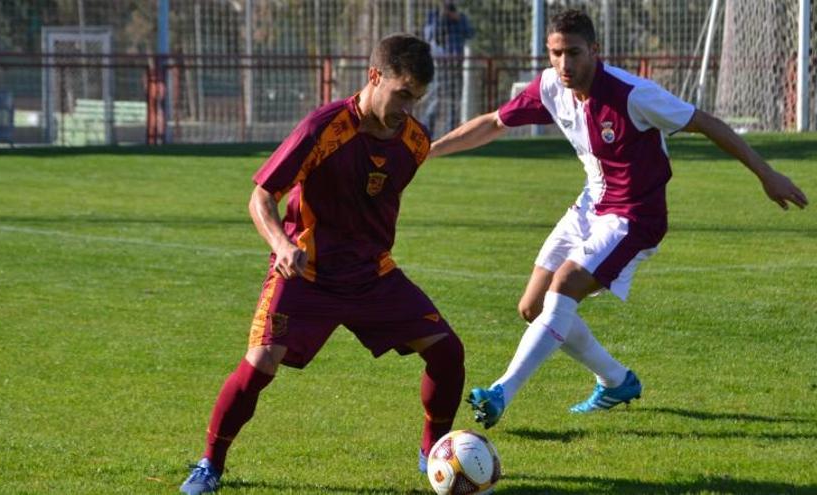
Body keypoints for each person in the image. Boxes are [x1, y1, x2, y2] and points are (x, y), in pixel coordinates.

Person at [429, 9, 808, 428]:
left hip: (635, 217)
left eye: (573, 52)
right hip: (590, 206)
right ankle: (616, 381)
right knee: (533, 307)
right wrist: (425, 151)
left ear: (594, 50)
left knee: (566, 284)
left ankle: (502, 391)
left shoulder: (633, 94)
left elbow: (706, 122)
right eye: (555, 53)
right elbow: (492, 123)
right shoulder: (551, 86)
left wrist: (766, 173)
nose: (564, 64)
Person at [180, 34, 465, 494]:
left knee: (448, 352)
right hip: (307, 273)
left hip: (372, 276)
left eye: (417, 99)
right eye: (403, 94)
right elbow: (260, 197)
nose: (407, 108)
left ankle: (433, 454)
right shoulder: (324, 127)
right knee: (259, 364)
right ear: (375, 76)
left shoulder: (414, 142)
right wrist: (282, 243)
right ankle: (210, 464)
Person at [422, 0, 474, 137]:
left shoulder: (460, 17)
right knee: (436, 98)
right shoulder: (433, 16)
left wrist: (457, 19)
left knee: (455, 99)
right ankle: (426, 133)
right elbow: (430, 35)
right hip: (440, 64)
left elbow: (470, 33)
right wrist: (441, 18)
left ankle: (451, 134)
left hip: (456, 63)